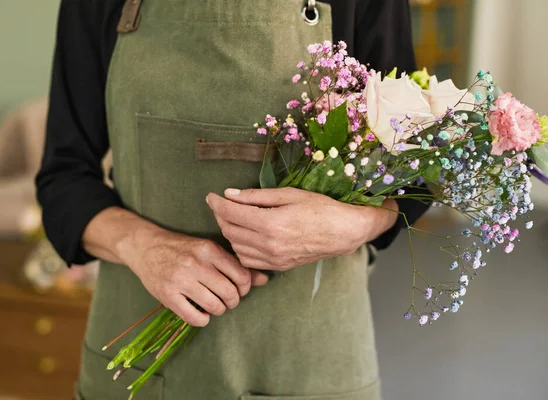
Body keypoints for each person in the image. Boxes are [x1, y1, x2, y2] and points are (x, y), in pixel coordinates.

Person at [36, 0, 430, 399]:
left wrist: (353, 226)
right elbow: (63, 178)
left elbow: (413, 168)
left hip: (313, 365)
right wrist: (142, 246)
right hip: (140, 361)